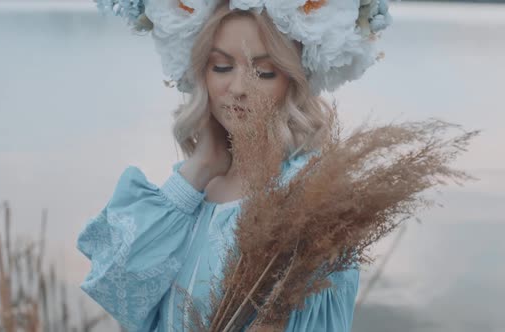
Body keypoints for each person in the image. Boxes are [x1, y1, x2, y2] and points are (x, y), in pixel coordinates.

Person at [77, 1, 392, 331]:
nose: (239, 88)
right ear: (202, 75)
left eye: (264, 72)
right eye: (221, 67)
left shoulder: (310, 199)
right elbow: (120, 290)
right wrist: (199, 167)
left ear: (293, 81)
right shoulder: (190, 190)